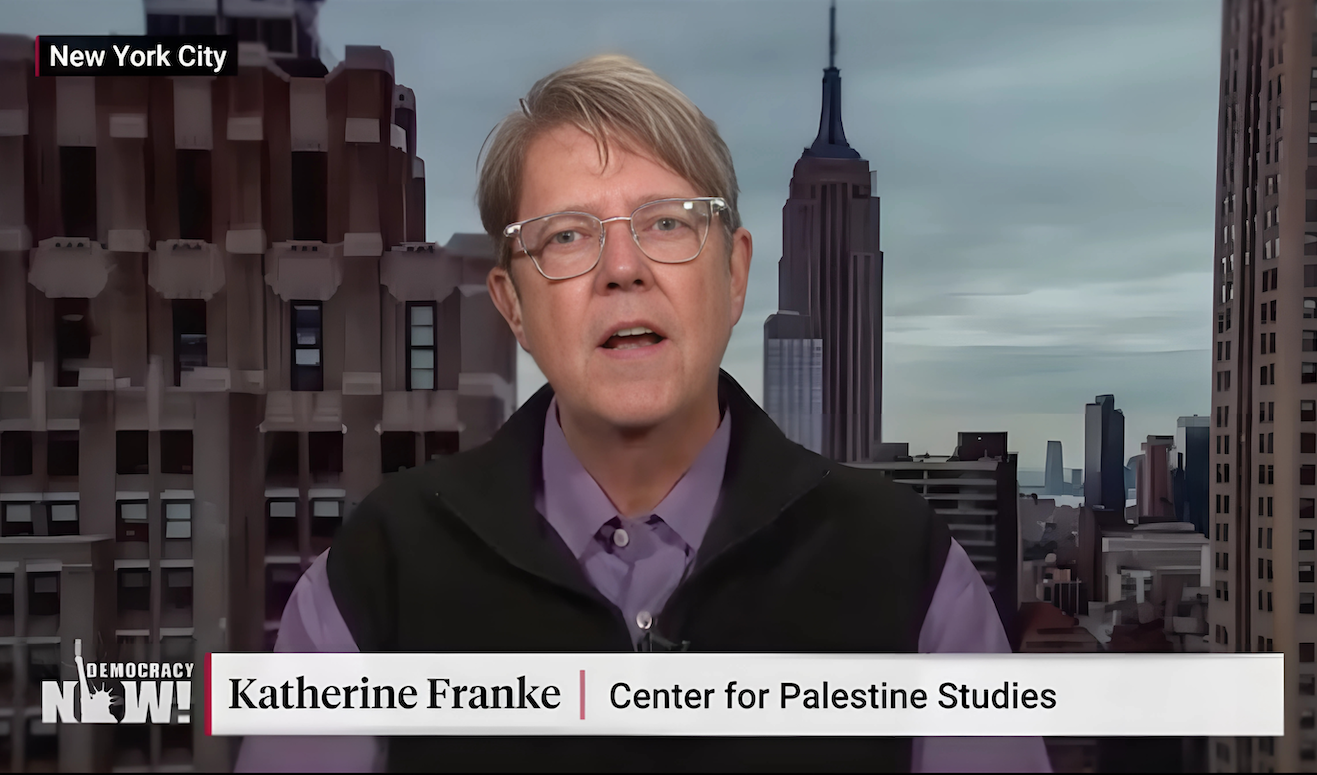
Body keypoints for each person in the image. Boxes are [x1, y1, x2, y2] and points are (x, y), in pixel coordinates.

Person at [237, 54, 1051, 773]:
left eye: (667, 223)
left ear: (734, 276)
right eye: (565, 236)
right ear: (512, 305)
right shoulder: (381, 570)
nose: (622, 269)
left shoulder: (906, 568)